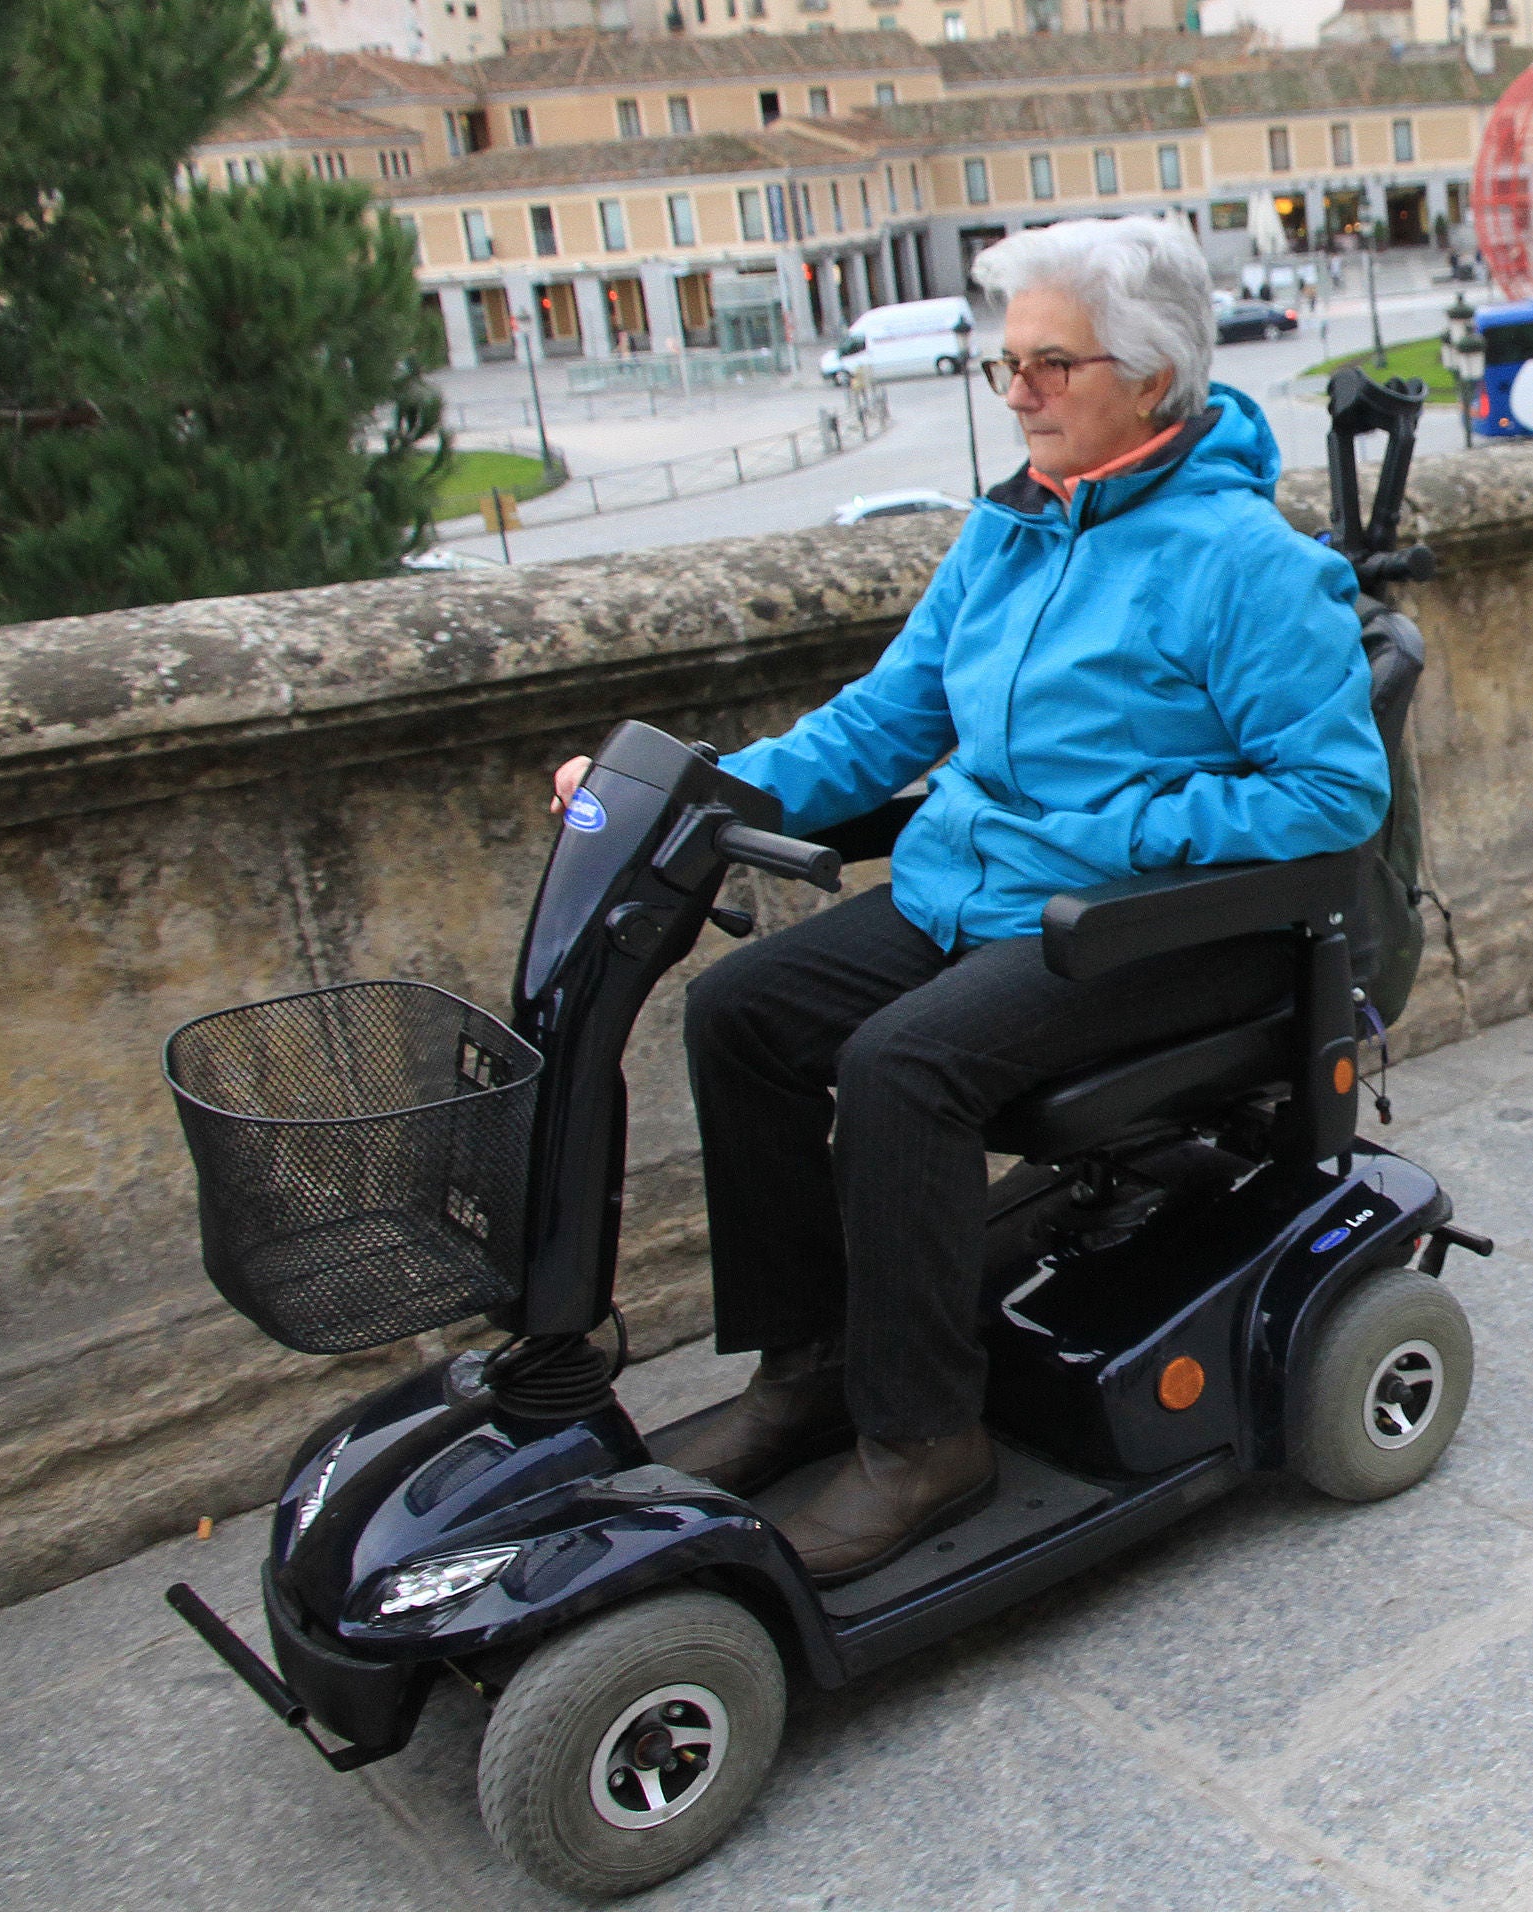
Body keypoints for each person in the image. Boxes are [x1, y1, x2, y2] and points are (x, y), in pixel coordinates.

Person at [548, 217, 1389, 1583]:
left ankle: (925, 1440)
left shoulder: (1243, 561)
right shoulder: (1007, 534)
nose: (1017, 392)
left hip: (1167, 929)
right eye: (1008, 365)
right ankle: (812, 1364)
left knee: (903, 1068)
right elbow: (880, 725)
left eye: (1050, 365)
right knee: (741, 1012)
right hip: (986, 895)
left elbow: (1331, 799)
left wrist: (1106, 835)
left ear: (1156, 377)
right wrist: (693, 798)